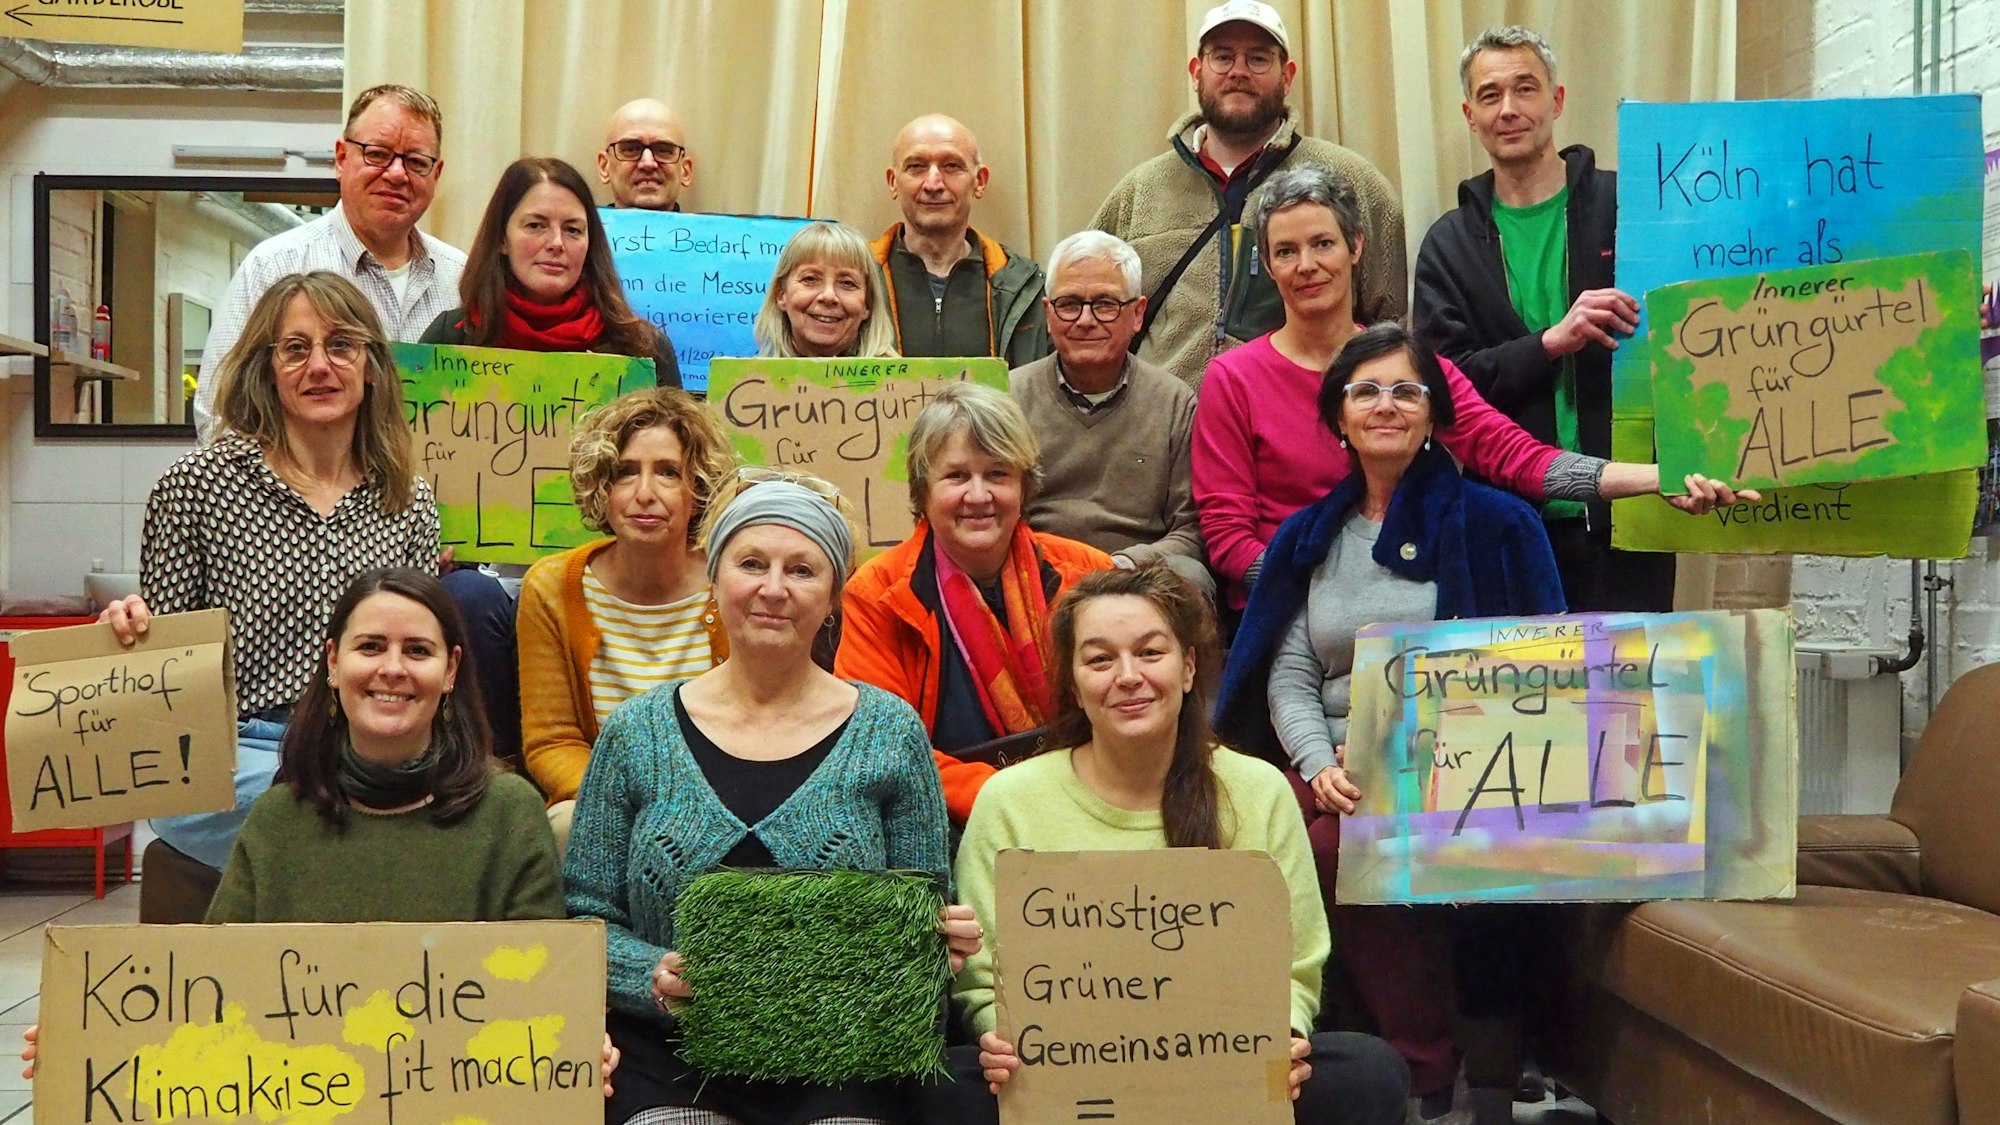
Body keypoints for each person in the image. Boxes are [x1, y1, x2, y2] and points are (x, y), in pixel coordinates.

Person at [23, 569, 617, 1099]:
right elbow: (207, 998)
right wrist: (89, 1040)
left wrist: (573, 1045)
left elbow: (542, 995)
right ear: (333, 664)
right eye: (370, 647)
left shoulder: (509, 814)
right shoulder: (279, 818)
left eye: (417, 650)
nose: (392, 668)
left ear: (451, 670)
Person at [1214, 323, 1565, 1124]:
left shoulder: (1500, 523)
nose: (1385, 404)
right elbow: (1292, 672)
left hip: (1476, 768)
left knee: (1394, 849)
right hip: (1340, 765)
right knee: (1299, 840)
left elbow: (1552, 665)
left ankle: (1468, 1073)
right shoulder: (1310, 535)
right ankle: (1415, 1070)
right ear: (1338, 417)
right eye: (1365, 390)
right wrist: (1315, 765)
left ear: (1436, 415)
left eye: (1406, 390)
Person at [925, 564, 1409, 1125]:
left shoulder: (1258, 791)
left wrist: (1285, 1039)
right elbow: (983, 973)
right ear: (1075, 685)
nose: (1127, 676)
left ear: (1188, 667)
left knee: (1368, 1071)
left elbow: (1296, 959)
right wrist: (1000, 1038)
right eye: (1100, 659)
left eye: (1150, 653)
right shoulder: (1009, 800)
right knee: (946, 1086)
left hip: (1220, 1074)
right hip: (1066, 1078)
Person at [563, 475, 979, 1125]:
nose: (774, 588)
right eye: (751, 563)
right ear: (714, 575)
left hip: (843, 1057)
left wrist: (933, 950)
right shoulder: (635, 732)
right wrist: (653, 974)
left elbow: (919, 922)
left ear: (834, 594)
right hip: (668, 1056)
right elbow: (585, 919)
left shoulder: (891, 732)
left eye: (803, 569)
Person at [1194, 165, 1751, 610]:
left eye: (1323, 244)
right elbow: (1226, 535)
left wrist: (1658, 478)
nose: (1307, 265)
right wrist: (1329, 587)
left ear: (1356, 247)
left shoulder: (1411, 365)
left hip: (1410, 613)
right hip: (1283, 619)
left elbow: (1517, 457)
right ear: (1267, 265)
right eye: (1286, 252)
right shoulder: (1232, 378)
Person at [97, 272, 439, 882]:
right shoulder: (195, 486)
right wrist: (126, 631)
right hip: (238, 754)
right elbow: (167, 662)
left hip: (370, 744)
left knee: (470, 799)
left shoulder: (408, 499)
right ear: (267, 367)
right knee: (309, 800)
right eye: (295, 348)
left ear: (370, 368)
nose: (319, 366)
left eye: (341, 345)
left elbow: (417, 656)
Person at [1414, 26, 1674, 612]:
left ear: (1556, 101)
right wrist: (1550, 343)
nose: (1509, 109)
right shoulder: (1448, 245)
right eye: (1489, 95)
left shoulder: (1632, 208)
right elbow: (1444, 391)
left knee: (1629, 699)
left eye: (1525, 89)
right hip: (1506, 523)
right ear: (1469, 115)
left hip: (1632, 511)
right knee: (1522, 701)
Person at [1092, 0, 1406, 390]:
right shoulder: (1139, 192)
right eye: (1222, 57)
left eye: (1258, 59)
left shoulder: (1354, 183)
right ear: (1196, 71)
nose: (1238, 72)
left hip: (1301, 430)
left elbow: (1392, 327)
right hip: (1164, 437)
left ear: (1287, 76)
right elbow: (1088, 316)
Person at [837, 383, 1113, 823]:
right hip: (944, 820)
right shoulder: (877, 595)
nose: (979, 496)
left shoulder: (1090, 575)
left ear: (1025, 488)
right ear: (922, 493)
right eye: (957, 476)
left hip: (1090, 806)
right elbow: (881, 747)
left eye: (998, 474)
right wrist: (1017, 802)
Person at [517, 387, 736, 846]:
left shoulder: (733, 582)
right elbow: (551, 741)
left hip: (721, 803)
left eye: (669, 473)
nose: (644, 494)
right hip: (604, 807)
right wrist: (625, 803)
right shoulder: (553, 587)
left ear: (698, 487)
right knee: (564, 823)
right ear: (601, 487)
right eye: (624, 473)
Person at [195, 84, 462, 442]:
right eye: (378, 154)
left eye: (416, 162)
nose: (398, 174)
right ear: (341, 158)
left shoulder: (461, 278)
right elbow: (219, 412)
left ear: (436, 174)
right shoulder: (275, 267)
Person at [1009, 230, 1210, 599]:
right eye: (1069, 304)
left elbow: (1192, 530)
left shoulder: (1174, 402)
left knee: (1191, 575)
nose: (1085, 320)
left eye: (1105, 304)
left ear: (1137, 314)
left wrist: (1120, 566)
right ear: (1048, 314)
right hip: (1036, 573)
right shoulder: (1009, 398)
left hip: (1139, 578)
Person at [419, 155, 682, 385]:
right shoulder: (450, 339)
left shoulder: (644, 349)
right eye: (535, 225)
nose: (556, 243)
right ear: (501, 238)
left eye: (573, 230)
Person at [870, 114, 1050, 366]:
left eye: (952, 166)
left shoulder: (1024, 288)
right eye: (916, 167)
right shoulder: (858, 280)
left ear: (980, 181)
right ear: (893, 182)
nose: (933, 184)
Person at [753, 220, 901, 358]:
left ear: (867, 304)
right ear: (781, 295)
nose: (829, 296)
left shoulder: (901, 383)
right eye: (810, 279)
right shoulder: (746, 382)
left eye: (847, 283)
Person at [598, 97, 694, 210]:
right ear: (604, 167)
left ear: (686, 171)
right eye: (631, 149)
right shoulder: (585, 227)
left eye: (663, 150)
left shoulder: (716, 228)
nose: (648, 163)